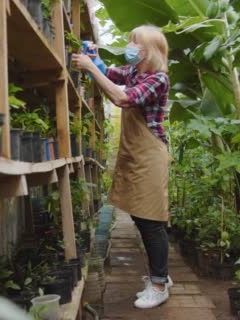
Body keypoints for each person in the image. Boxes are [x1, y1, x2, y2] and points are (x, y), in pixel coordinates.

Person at [72, 25, 172, 309]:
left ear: (149, 51)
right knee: (141, 218)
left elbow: (123, 98)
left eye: (134, 42)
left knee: (152, 220)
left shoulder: (158, 79)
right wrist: (94, 58)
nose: (129, 46)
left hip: (150, 152)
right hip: (135, 152)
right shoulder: (133, 72)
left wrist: (91, 67)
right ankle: (160, 274)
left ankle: (159, 284)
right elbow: (109, 71)